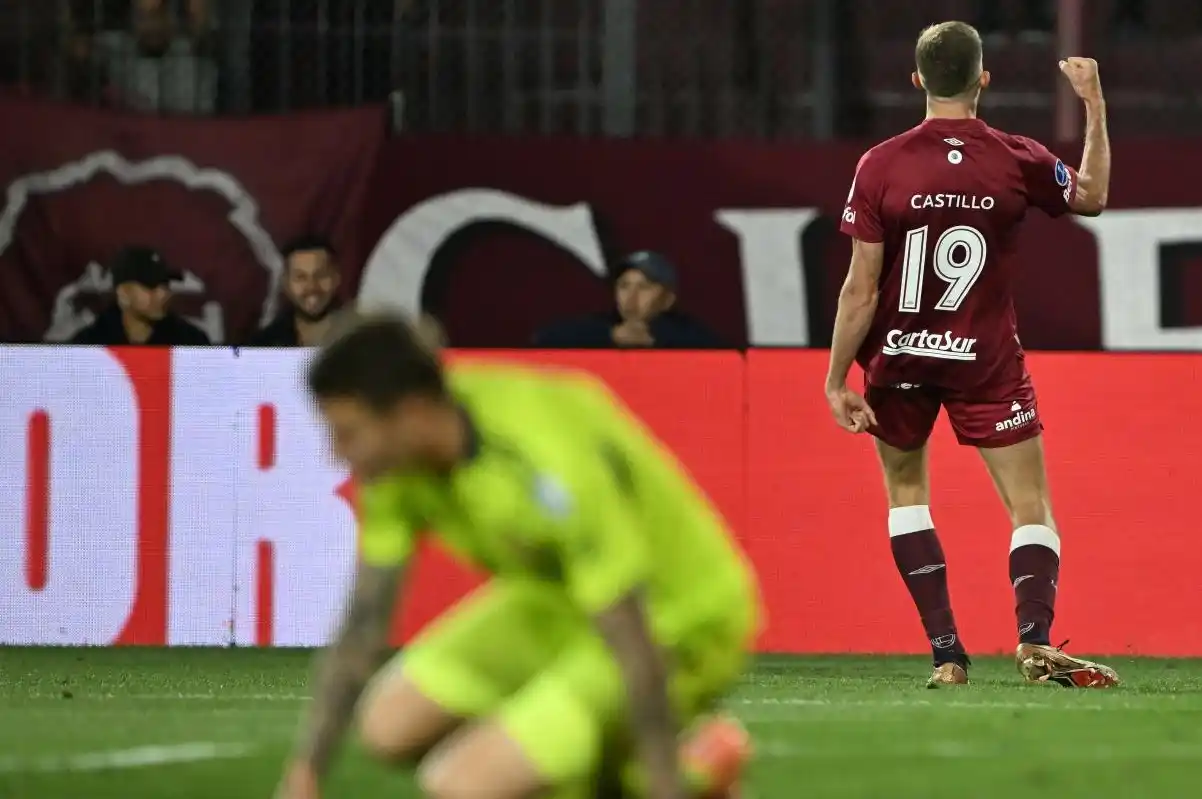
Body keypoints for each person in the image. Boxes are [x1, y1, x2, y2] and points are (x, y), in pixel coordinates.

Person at [275, 315, 760, 799]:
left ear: (412, 412)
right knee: (387, 727)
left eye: (348, 433)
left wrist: (663, 786)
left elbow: (631, 635)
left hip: (674, 617)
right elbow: (365, 622)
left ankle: (688, 764)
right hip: (558, 601)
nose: (338, 454)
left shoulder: (543, 459)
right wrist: (306, 773)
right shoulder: (395, 468)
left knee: (461, 787)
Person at [824, 21, 1119, 689]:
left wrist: (836, 374)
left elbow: (860, 286)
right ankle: (1033, 638)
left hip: (898, 355)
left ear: (917, 80)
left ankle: (946, 654)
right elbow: (1091, 196)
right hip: (983, 357)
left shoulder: (879, 163)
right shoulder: (1014, 156)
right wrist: (1094, 106)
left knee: (905, 495)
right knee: (1030, 505)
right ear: (984, 78)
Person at [532, 251, 723, 349]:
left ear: (668, 299)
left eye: (644, 287)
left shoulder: (686, 333)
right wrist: (611, 336)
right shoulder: (602, 325)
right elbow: (544, 339)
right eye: (624, 286)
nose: (632, 297)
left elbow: (723, 353)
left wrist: (655, 337)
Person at [69, 246, 211, 345]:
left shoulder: (191, 342)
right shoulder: (88, 345)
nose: (163, 294)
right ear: (124, 293)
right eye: (150, 286)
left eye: (165, 285)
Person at [246, 237, 343, 347]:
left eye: (321, 275)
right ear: (286, 284)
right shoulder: (263, 346)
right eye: (300, 277)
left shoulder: (359, 338)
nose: (311, 286)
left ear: (336, 278)